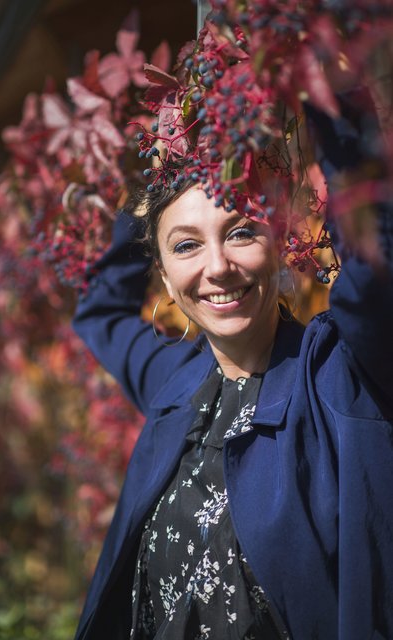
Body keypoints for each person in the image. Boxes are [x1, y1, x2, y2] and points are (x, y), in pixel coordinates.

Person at [72, 91, 393, 640]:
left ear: (278, 242)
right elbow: (99, 310)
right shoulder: (174, 382)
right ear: (166, 278)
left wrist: (323, 93)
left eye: (241, 232)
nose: (217, 267)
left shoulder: (341, 380)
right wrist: (155, 162)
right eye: (186, 245)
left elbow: (376, 264)